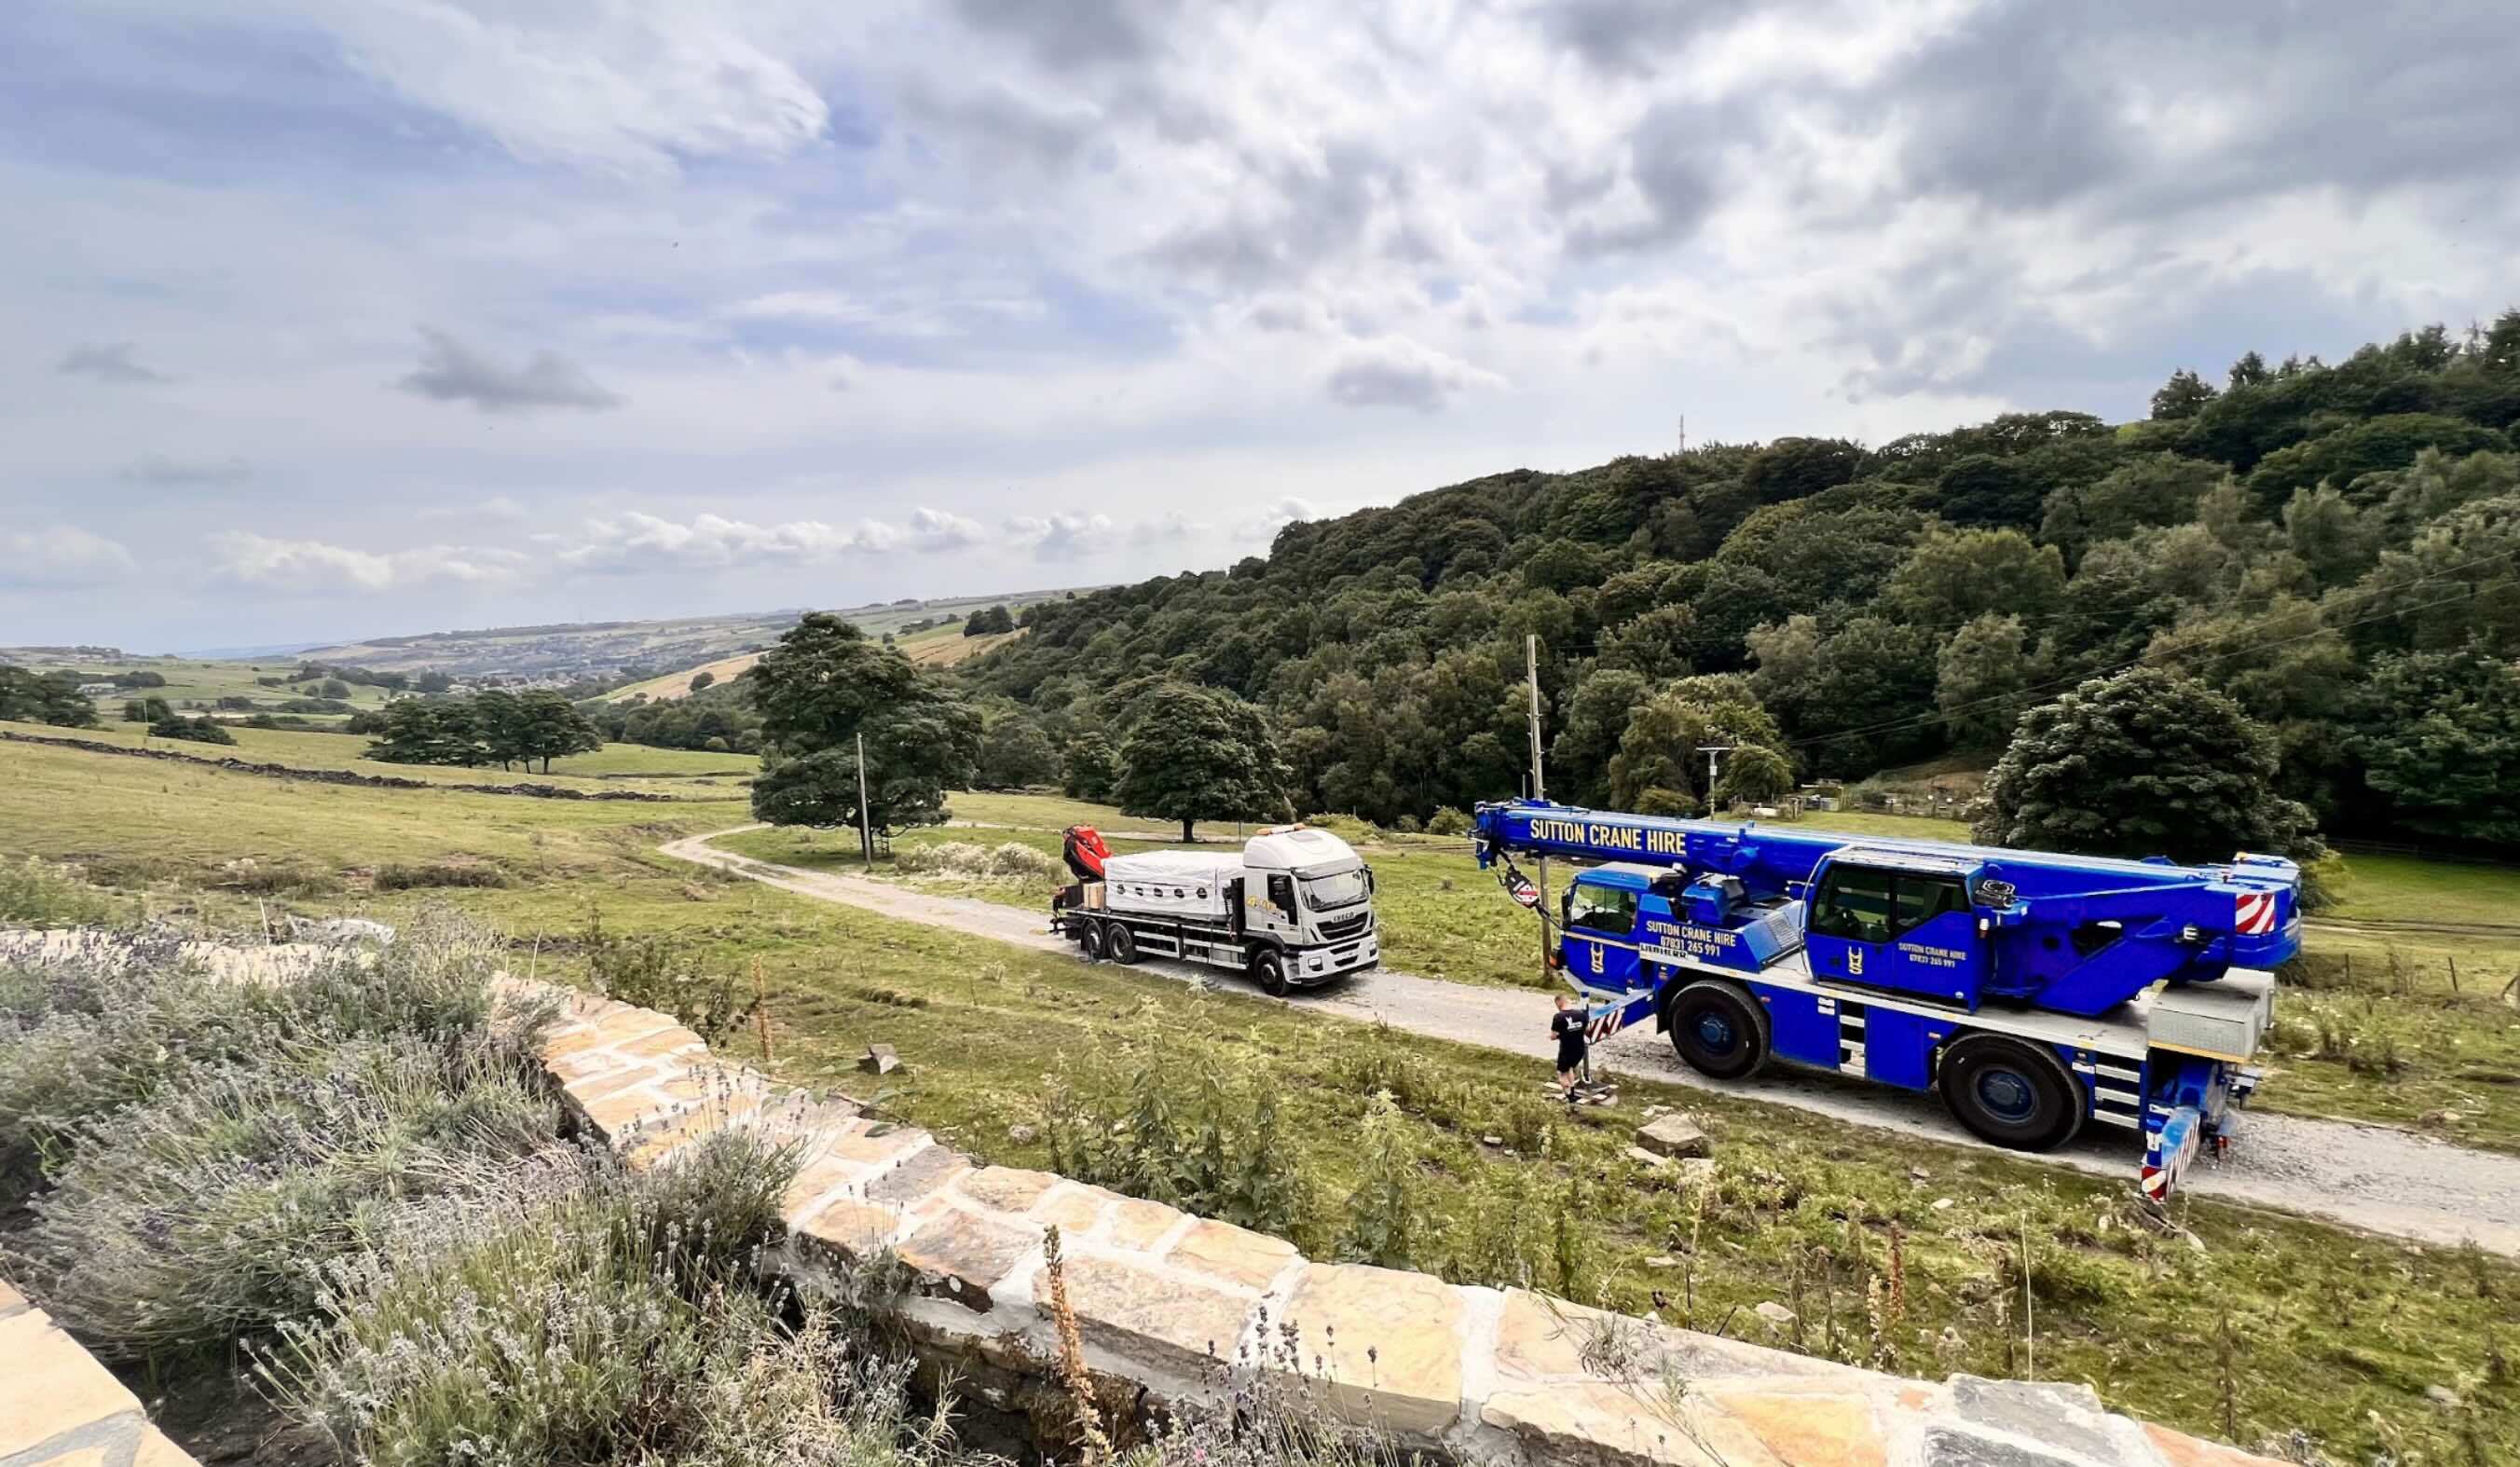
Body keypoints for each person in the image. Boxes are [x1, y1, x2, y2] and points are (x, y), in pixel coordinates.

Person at [1550, 993, 1589, 1101]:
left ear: (1559, 1002)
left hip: (1566, 1050)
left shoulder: (1559, 1017)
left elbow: (1553, 1036)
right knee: (1569, 1069)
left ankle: (1569, 1096)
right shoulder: (1581, 1014)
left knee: (1562, 1073)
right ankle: (1572, 1091)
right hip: (1580, 1050)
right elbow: (1587, 1030)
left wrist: (1562, 1034)